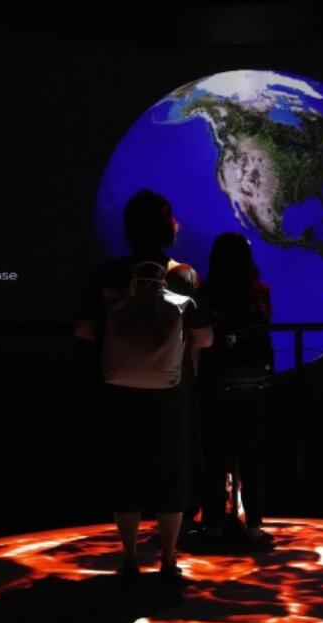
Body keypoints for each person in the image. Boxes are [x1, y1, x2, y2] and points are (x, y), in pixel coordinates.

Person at [74, 189, 212, 582]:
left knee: (125, 469)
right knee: (172, 472)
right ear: (166, 227)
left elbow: (84, 330)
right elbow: (204, 339)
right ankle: (168, 560)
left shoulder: (107, 275)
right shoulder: (183, 274)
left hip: (117, 389)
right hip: (173, 391)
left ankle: (130, 558)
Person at [199, 232, 273, 545]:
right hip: (256, 382)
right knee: (252, 452)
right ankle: (254, 523)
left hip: (218, 381)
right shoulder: (260, 293)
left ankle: (214, 522)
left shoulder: (207, 292)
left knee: (217, 453)